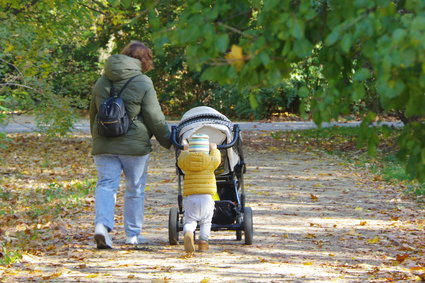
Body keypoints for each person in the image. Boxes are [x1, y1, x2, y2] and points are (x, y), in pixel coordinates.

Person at [89, 41, 171, 249]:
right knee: (134, 189)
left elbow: (94, 115)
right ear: (145, 60)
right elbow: (154, 117)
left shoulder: (102, 81)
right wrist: (169, 140)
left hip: (104, 144)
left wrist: (97, 140)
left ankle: (102, 226)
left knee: (106, 184)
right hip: (134, 146)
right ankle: (132, 235)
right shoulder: (143, 81)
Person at [177, 133, 221, 253]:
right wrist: (214, 149)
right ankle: (203, 242)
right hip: (207, 198)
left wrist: (185, 150)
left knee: (190, 220)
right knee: (206, 221)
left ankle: (188, 232)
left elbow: (180, 161)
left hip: (191, 198)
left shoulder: (186, 162)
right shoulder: (210, 161)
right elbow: (217, 159)